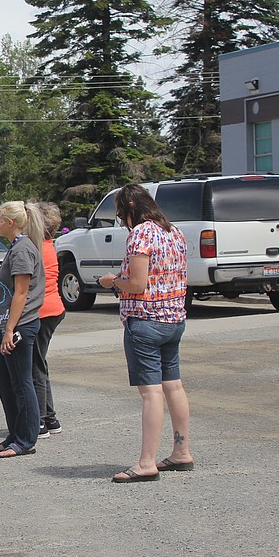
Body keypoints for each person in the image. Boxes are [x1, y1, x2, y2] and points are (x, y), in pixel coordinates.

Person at [99, 184, 194, 483]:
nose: (121, 220)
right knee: (173, 386)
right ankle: (181, 452)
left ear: (129, 208)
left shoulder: (140, 233)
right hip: (174, 318)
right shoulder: (174, 232)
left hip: (145, 320)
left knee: (150, 392)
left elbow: (137, 283)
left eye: (119, 214)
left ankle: (146, 462)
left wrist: (112, 281)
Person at [0, 201, 47, 459]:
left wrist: (10, 328)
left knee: (22, 382)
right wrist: (1, 325)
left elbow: (22, 293)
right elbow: (10, 293)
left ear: (10, 222)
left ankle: (25, 440)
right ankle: (14, 434)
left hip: (22, 326)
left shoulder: (23, 250)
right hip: (10, 324)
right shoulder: (16, 247)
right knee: (4, 380)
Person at [34, 202, 66, 436]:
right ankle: (50, 418)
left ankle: (41, 420)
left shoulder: (37, 248)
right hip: (53, 308)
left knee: (34, 367)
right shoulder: (48, 245)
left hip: (42, 311)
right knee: (40, 364)